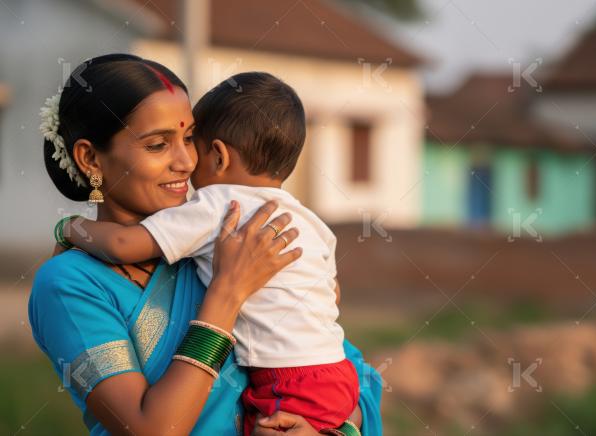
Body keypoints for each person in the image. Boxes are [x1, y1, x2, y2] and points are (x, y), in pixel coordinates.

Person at [28, 54, 382, 435]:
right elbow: (150, 429)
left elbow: (347, 370)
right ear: (90, 158)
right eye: (158, 145)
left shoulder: (222, 242)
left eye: (188, 138)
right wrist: (227, 293)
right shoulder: (69, 284)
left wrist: (331, 430)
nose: (185, 161)